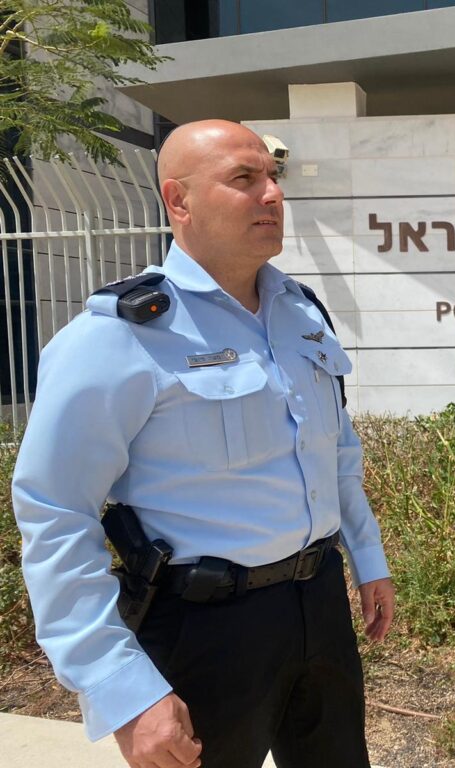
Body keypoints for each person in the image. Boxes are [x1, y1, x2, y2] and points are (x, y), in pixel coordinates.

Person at [11, 119, 395, 768]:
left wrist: (366, 557)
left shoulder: (301, 313)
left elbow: (336, 450)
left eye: (272, 176)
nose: (272, 194)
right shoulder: (119, 336)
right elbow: (55, 512)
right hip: (204, 625)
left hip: (318, 601)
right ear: (178, 200)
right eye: (244, 178)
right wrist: (121, 690)